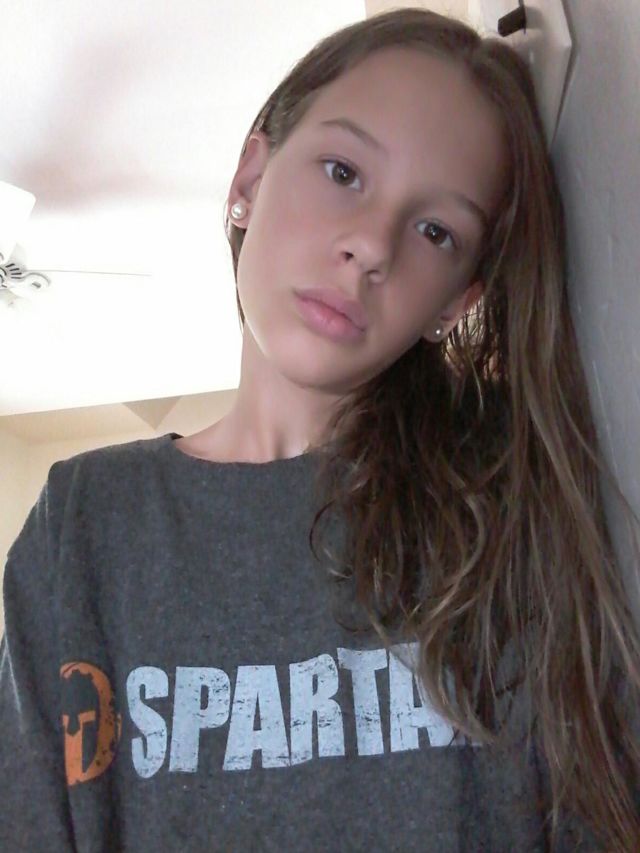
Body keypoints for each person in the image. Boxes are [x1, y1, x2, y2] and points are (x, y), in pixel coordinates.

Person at [1, 7, 639, 851]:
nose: (372, 244)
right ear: (250, 177)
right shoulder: (85, 519)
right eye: (343, 171)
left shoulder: (510, 492)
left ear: (458, 302)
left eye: (436, 230)